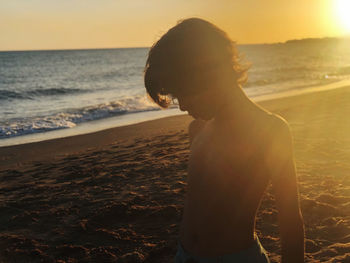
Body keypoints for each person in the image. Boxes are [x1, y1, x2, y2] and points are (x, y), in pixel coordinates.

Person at [144, 18, 304, 263]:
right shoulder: (197, 129)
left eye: (183, 93)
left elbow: (291, 222)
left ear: (211, 75)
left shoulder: (270, 131)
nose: (182, 106)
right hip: (184, 255)